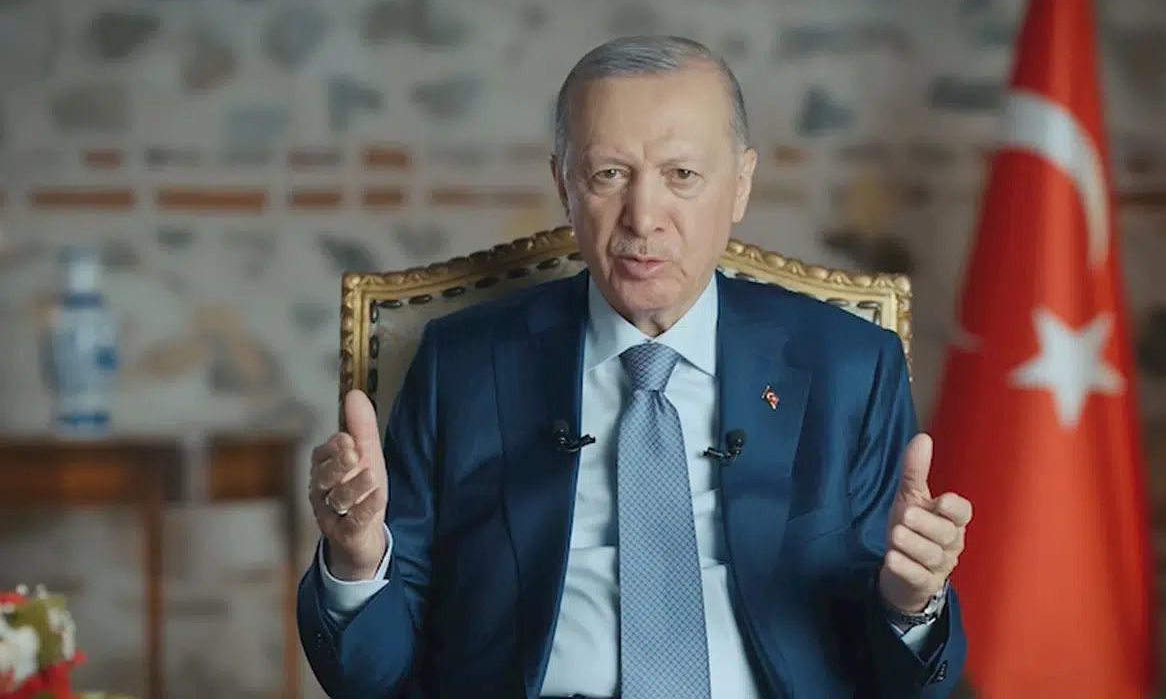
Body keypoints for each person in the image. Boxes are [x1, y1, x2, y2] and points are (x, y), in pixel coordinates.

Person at [297, 35, 972, 699]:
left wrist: (909, 603)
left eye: (682, 176)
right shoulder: (463, 366)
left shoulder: (848, 367)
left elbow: (902, 684)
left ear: (739, 186)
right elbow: (374, 676)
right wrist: (357, 564)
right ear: (564, 185)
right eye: (609, 175)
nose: (643, 218)